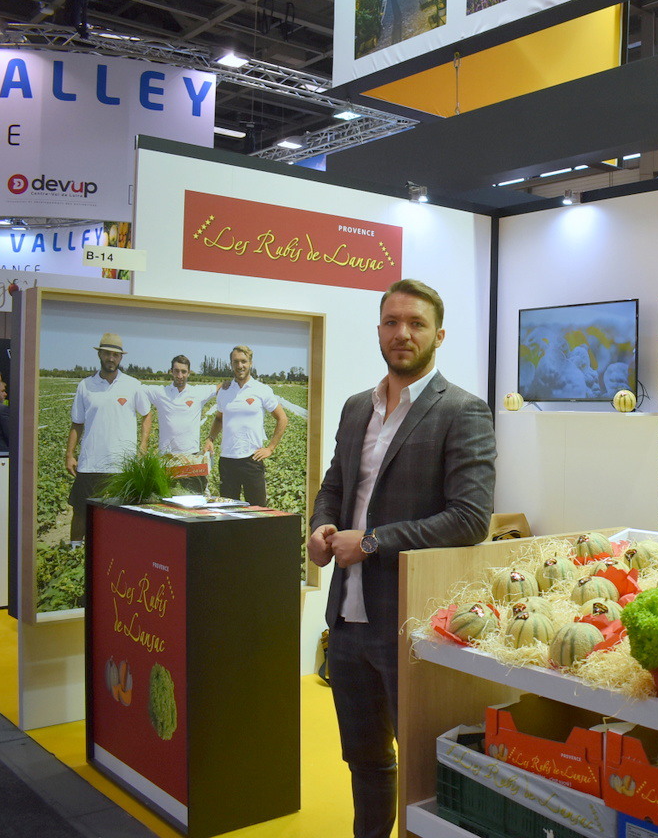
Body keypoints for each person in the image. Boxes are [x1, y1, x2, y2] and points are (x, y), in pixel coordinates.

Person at [309, 279, 496, 838]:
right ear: (379, 331)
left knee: (421, 765)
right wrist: (321, 527)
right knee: (364, 760)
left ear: (439, 335)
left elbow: (470, 519)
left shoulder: (462, 411)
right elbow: (335, 485)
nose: (402, 333)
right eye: (392, 322)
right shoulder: (355, 408)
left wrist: (369, 541)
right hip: (348, 620)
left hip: (412, 622)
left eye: (416, 323)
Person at [64, 333, 151, 543]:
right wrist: (69, 454)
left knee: (120, 515)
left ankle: (117, 552)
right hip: (90, 463)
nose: (111, 358)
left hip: (121, 465)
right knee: (81, 511)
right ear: (100, 355)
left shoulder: (132, 385)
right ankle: (75, 548)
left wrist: (143, 445)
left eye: (115, 355)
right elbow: (77, 423)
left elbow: (147, 414)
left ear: (120, 358)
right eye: (107, 354)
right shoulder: (85, 385)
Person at [206, 345, 287, 506]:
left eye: (243, 361)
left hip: (252, 459)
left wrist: (270, 448)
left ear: (250, 363)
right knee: (228, 511)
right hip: (228, 461)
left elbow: (282, 418)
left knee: (258, 511)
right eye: (235, 362)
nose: (240, 365)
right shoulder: (225, 391)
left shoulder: (261, 389)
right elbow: (219, 419)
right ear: (231, 364)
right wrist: (210, 438)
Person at [143, 355, 217, 493]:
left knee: (194, 498)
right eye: (176, 371)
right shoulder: (160, 392)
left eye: (183, 371)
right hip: (167, 458)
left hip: (191, 458)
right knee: (166, 499)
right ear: (171, 371)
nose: (180, 375)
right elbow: (135, 389)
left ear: (189, 373)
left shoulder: (198, 392)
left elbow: (221, 387)